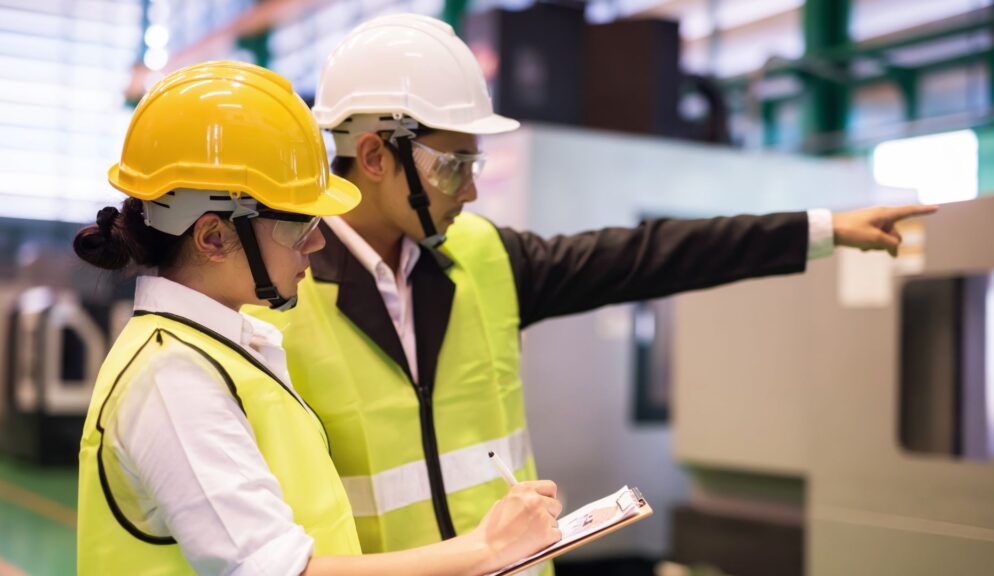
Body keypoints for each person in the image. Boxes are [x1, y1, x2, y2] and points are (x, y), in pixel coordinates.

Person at [251, 13, 938, 568]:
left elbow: (649, 256)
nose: (472, 188)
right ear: (374, 156)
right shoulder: (272, 306)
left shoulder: (485, 258)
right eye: (453, 165)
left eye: (473, 163)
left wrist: (819, 229)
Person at [75, 61, 561, 576]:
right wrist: (488, 548)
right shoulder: (171, 380)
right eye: (300, 224)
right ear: (213, 237)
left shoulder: (217, 354)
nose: (319, 240)